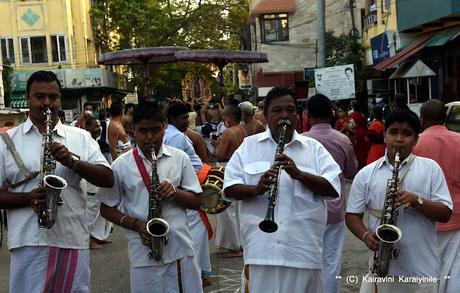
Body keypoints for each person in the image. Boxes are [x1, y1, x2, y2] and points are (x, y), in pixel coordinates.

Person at [0, 70, 113, 292]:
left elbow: (108, 178)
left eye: (53, 97)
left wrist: (73, 163)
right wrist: (27, 198)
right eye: (40, 97)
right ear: (28, 98)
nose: (47, 103)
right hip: (28, 242)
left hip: (71, 239)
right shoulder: (6, 141)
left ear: (60, 98)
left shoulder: (80, 137)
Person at [223, 86, 341, 292]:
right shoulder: (248, 147)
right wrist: (256, 189)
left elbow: (333, 189)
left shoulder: (314, 149)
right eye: (277, 111)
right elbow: (229, 189)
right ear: (266, 116)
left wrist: (299, 175)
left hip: (303, 252)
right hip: (260, 251)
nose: (284, 116)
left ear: (298, 114)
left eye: (290, 110)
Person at [97, 102, 203, 293]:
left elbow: (197, 202)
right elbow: (105, 208)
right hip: (142, 254)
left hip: (181, 250)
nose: (150, 137)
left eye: (155, 130)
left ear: (164, 126)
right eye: (143, 131)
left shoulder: (179, 158)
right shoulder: (121, 165)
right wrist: (136, 225)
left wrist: (175, 193)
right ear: (132, 131)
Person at [346, 109, 452, 293]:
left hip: (421, 271)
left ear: (416, 139)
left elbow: (445, 213)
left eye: (407, 134)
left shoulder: (431, 169)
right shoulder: (366, 173)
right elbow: (352, 215)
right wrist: (365, 235)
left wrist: (416, 201)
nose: (399, 139)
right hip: (381, 270)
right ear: (384, 135)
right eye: (393, 132)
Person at [303, 94, 358, 293]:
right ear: (331, 113)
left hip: (307, 210)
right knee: (330, 263)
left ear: (307, 114)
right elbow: (352, 171)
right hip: (334, 210)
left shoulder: (301, 141)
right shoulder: (343, 140)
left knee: (308, 262)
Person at [413, 99, 460, 293]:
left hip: (421, 216)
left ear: (422, 118)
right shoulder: (458, 141)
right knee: (454, 271)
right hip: (455, 216)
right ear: (446, 118)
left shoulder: (415, 143)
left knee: (423, 272)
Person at [163, 102, 213, 285]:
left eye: (188, 117)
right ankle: (195, 273)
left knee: (194, 231)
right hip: (187, 189)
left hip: (188, 187)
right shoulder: (175, 136)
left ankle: (197, 272)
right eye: (183, 118)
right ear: (172, 119)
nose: (187, 121)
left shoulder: (174, 134)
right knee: (196, 233)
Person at [84, 116, 113, 249]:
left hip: (98, 183)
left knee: (99, 211)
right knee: (91, 212)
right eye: (96, 126)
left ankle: (98, 237)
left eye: (99, 126)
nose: (99, 129)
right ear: (88, 127)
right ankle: (90, 240)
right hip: (90, 183)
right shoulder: (84, 141)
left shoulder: (93, 141)